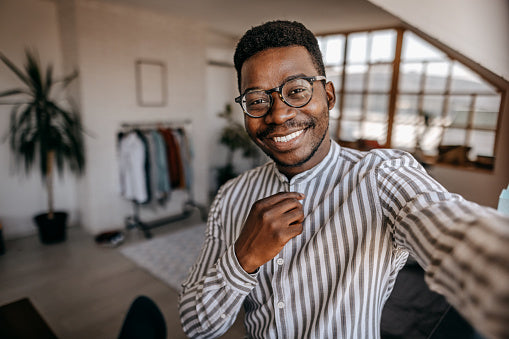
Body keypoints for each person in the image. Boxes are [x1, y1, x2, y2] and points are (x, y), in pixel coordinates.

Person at [179, 20, 509, 339]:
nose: (278, 114)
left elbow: (454, 231)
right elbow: (196, 325)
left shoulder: (381, 177)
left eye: (297, 90)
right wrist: (243, 258)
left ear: (329, 96)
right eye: (257, 101)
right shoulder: (232, 196)